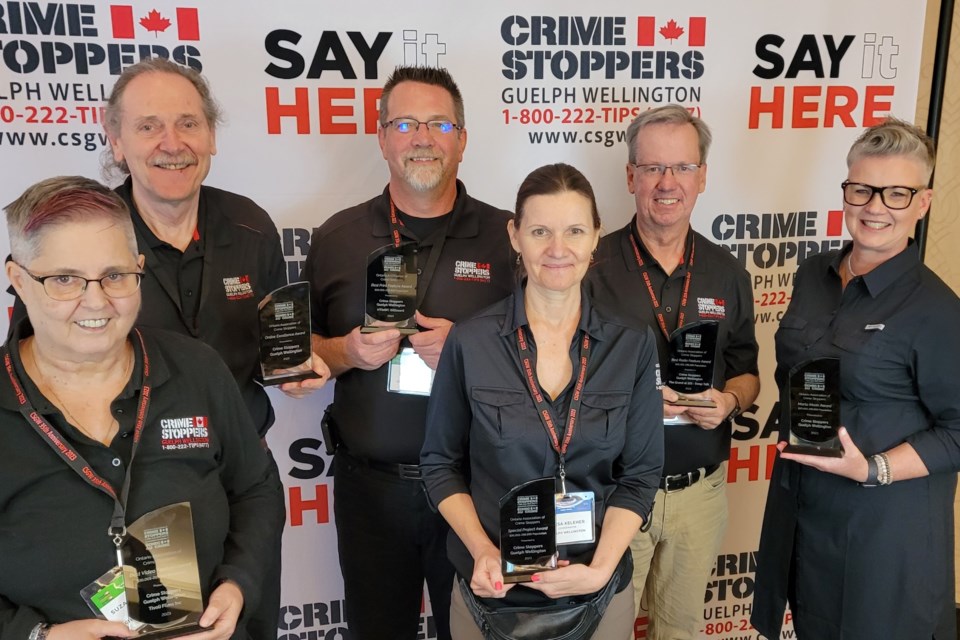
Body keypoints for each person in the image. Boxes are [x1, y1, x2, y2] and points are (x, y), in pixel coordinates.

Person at [99, 58, 330, 638]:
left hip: (243, 481)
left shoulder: (250, 227)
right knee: (167, 632)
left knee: (248, 624)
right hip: (137, 487)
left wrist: (295, 368)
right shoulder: (89, 235)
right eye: (149, 126)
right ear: (116, 141)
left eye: (189, 123)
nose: (172, 143)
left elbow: (278, 347)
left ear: (212, 136)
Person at [0, 176, 285, 640]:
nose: (96, 301)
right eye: (64, 279)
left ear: (139, 270)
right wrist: (38, 635)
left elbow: (257, 489)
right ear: (19, 281)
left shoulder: (197, 368)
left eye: (115, 276)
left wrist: (239, 584)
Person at [302, 66, 515, 639]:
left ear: (463, 139)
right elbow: (306, 349)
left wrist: (471, 353)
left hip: (477, 488)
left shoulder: (509, 237)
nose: (422, 137)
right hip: (370, 489)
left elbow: (546, 357)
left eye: (439, 123)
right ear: (381, 137)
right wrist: (345, 351)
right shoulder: (338, 236)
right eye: (405, 123)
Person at [420, 163, 663, 639]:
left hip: (597, 595)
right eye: (539, 231)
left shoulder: (631, 344)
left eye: (574, 230)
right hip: (493, 595)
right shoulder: (470, 343)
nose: (557, 249)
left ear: (596, 237)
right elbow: (439, 463)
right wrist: (482, 550)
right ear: (515, 236)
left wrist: (600, 570)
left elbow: (640, 475)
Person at [751, 119, 960, 639]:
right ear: (846, 190)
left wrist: (873, 469)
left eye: (896, 193)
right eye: (862, 189)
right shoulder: (812, 274)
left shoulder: (936, 310)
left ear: (923, 202)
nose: (875, 207)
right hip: (804, 514)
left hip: (883, 538)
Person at [585, 105, 760, 639]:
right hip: (614, 493)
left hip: (699, 494)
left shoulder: (728, 271)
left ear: (702, 176)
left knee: (678, 632)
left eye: (682, 168)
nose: (667, 183)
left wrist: (729, 403)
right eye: (654, 168)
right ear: (630, 175)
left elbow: (748, 372)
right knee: (603, 629)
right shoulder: (591, 266)